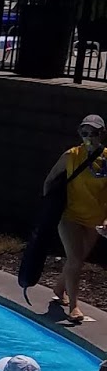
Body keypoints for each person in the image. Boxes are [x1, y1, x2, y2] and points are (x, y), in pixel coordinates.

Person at [43, 114, 107, 325]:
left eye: (94, 133)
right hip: (69, 215)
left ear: (102, 134)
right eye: (85, 133)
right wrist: (49, 207)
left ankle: (59, 288)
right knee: (76, 259)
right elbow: (50, 180)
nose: (89, 137)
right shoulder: (71, 155)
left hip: (95, 218)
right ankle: (73, 307)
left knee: (76, 260)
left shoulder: (106, 158)